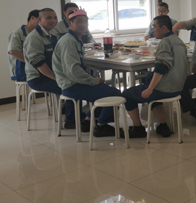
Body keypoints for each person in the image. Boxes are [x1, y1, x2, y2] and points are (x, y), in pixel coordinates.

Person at [52, 9, 121, 137]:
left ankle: (88, 121)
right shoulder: (69, 41)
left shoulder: (75, 39)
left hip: (74, 83)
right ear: (70, 23)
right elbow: (73, 70)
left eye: (85, 21)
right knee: (114, 93)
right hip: (71, 85)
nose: (83, 25)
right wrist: (92, 80)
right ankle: (101, 126)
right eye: (79, 21)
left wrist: (93, 80)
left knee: (105, 89)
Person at [122, 15, 188, 138]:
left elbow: (162, 67)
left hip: (165, 89)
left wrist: (150, 89)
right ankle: (163, 126)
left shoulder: (165, 42)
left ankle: (138, 128)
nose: (153, 30)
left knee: (127, 94)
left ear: (164, 28)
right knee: (152, 90)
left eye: (154, 27)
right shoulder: (179, 41)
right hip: (179, 88)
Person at [23, 8, 76, 128]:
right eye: (49, 18)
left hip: (51, 76)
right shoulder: (34, 38)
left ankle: (75, 114)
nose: (53, 20)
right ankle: (71, 121)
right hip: (38, 79)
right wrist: (57, 78)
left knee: (77, 80)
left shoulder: (52, 35)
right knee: (71, 86)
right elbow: (39, 64)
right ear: (39, 20)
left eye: (55, 17)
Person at [8, 9, 40, 82]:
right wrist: (31, 63)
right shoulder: (17, 33)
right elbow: (13, 52)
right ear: (32, 18)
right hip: (21, 70)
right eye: (39, 19)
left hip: (35, 70)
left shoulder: (37, 34)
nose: (41, 22)